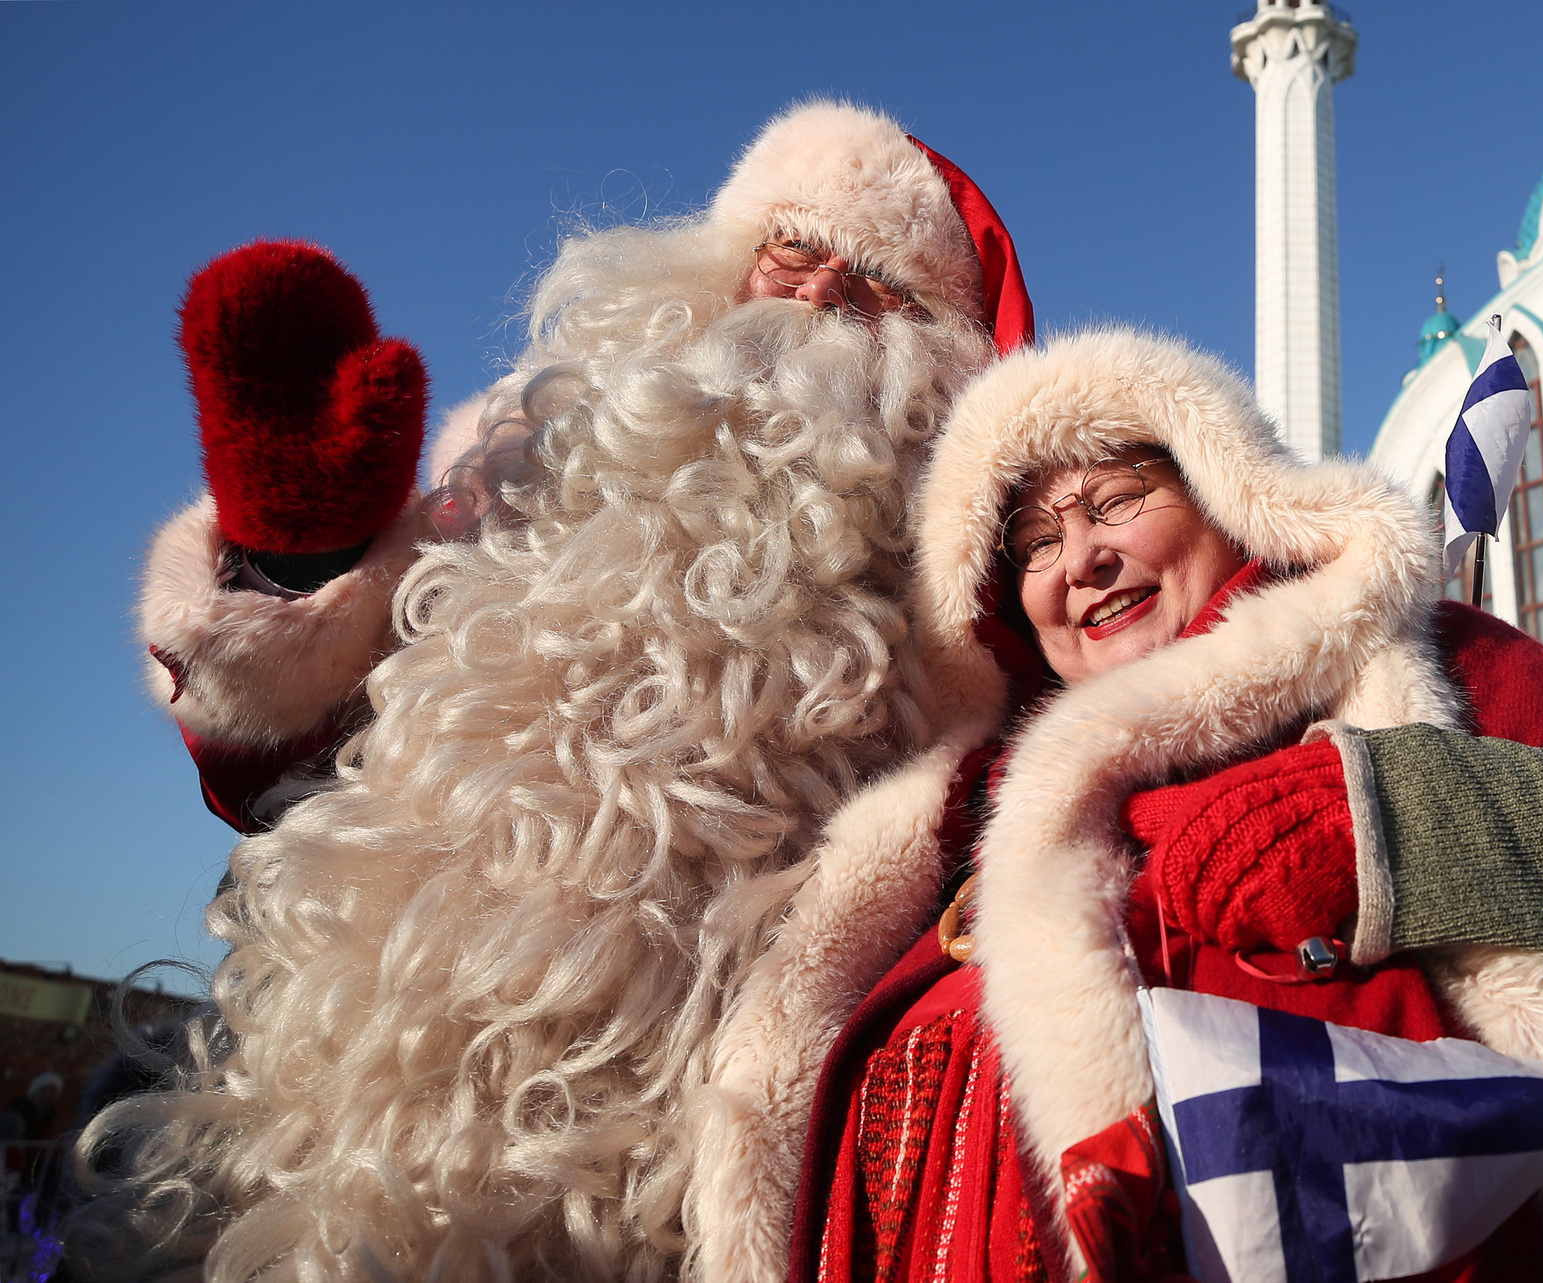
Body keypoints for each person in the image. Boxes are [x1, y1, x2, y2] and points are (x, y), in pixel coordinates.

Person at [68, 101, 1033, 1281]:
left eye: (881, 281)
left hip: (673, 1161)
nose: (823, 289)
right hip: (362, 1077)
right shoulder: (523, 468)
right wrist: (300, 551)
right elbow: (290, 761)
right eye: (792, 247)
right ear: (719, 268)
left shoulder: (964, 612)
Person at [695, 330, 1543, 1283]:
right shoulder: (952, 812)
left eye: (1119, 498)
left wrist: (1375, 817)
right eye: (1033, 541)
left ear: (1228, 491)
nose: (1082, 557)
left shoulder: (1388, 653)